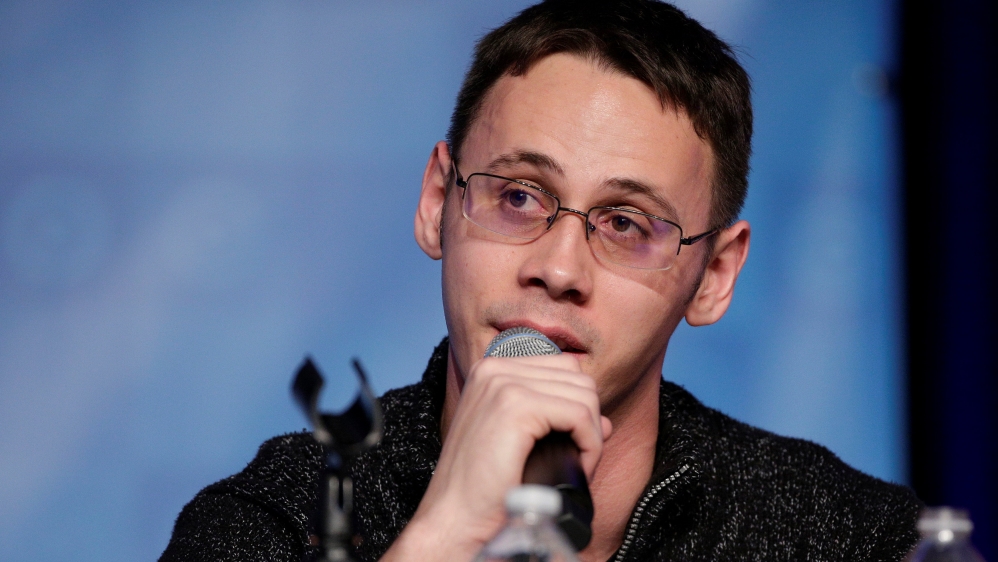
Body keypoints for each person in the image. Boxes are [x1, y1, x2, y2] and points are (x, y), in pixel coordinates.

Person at [160, 1, 922, 561]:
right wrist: (450, 529)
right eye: (518, 196)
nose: (558, 270)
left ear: (714, 275)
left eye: (627, 223)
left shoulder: (847, 537)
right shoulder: (275, 520)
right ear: (437, 204)